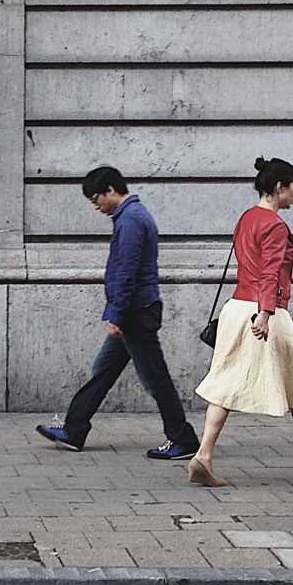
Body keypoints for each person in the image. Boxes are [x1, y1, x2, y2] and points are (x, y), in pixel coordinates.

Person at [189, 157, 293, 487]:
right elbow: (270, 272)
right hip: (264, 312)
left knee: (224, 384)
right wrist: (266, 313)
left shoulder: (246, 219)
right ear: (279, 188)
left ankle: (204, 456)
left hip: (235, 307)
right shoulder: (275, 225)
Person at [36, 166, 201, 460]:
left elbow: (127, 271)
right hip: (133, 310)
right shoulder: (129, 217)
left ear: (111, 190)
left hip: (135, 312)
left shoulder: (132, 220)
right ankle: (74, 430)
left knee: (155, 378)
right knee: (103, 370)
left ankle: (183, 439)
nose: (96, 206)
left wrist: (116, 312)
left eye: (96, 198)